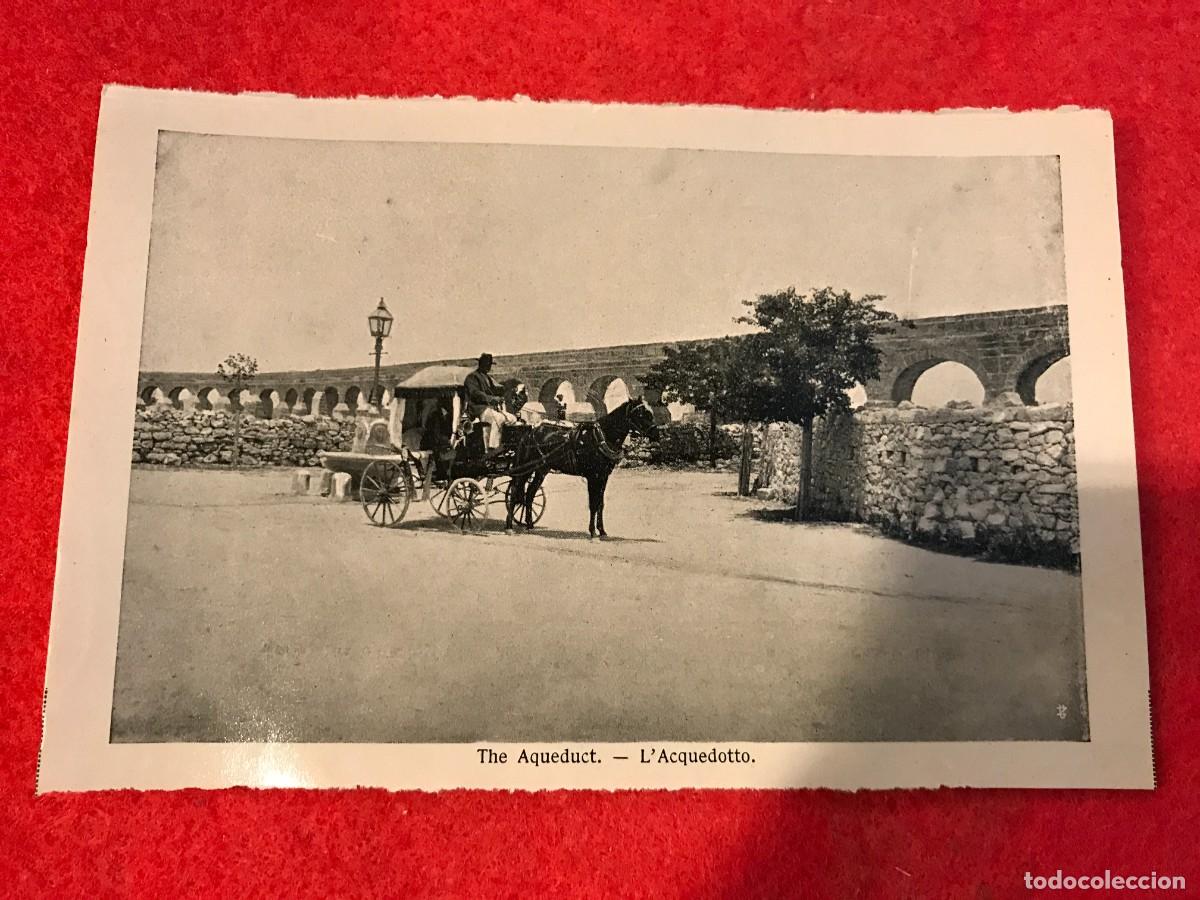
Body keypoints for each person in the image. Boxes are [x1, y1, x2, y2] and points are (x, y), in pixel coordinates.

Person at [464, 353, 517, 451]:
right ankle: (493, 448)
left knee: (512, 419)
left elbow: (494, 391)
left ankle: (506, 445)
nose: (489, 367)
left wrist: (504, 393)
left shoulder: (487, 378)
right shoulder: (472, 377)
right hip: (478, 409)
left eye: (489, 365)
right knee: (500, 418)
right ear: (481, 364)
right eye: (487, 364)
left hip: (490, 409)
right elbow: (475, 393)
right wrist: (491, 399)